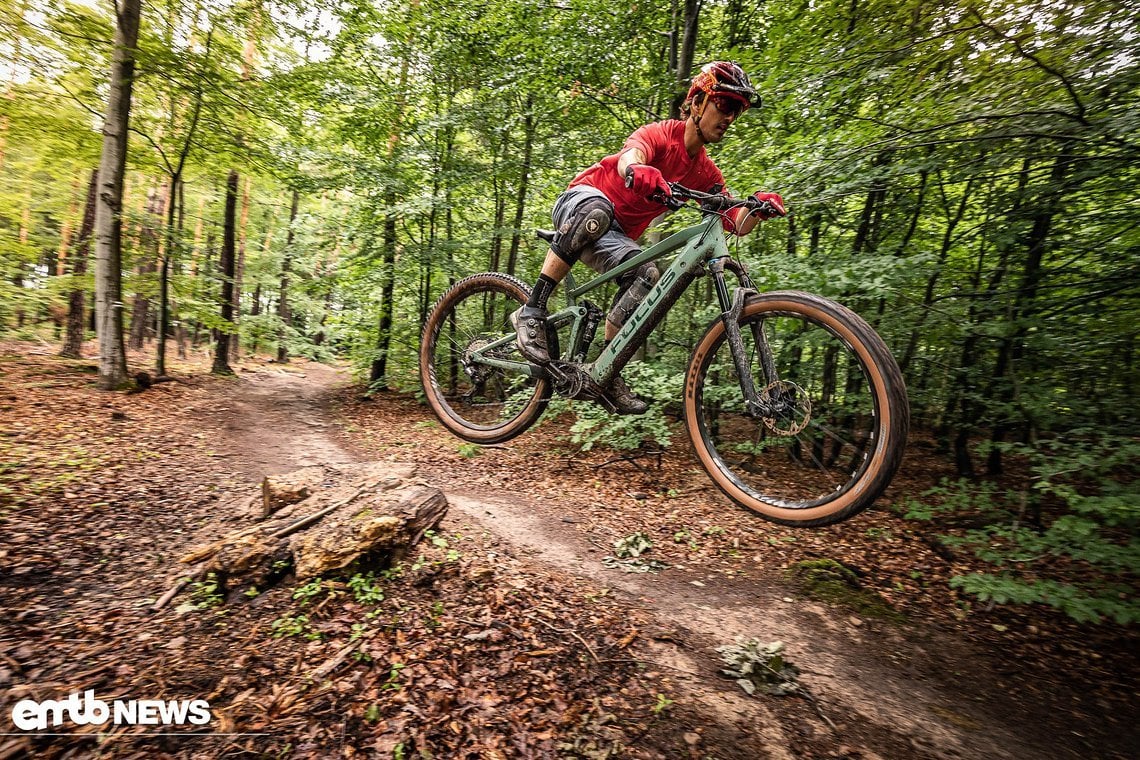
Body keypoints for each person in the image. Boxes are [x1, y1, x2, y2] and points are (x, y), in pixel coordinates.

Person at [511, 61, 786, 414]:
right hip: (581, 202)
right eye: (726, 105)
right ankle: (532, 308)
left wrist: (758, 208)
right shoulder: (660, 134)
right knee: (598, 212)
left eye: (738, 111)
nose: (731, 117)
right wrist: (638, 169)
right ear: (699, 102)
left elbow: (735, 221)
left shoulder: (705, 172)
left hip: (615, 236)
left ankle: (606, 373)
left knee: (648, 275)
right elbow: (631, 157)